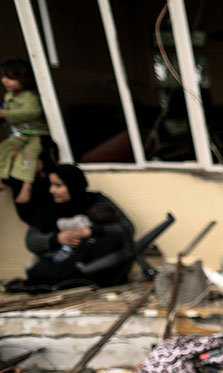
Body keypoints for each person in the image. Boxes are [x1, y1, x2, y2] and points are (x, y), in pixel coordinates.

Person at [22, 164, 134, 289]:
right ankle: (72, 279)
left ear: (73, 185)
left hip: (95, 260)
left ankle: (77, 279)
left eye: (58, 185)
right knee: (40, 271)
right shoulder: (48, 208)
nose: (52, 190)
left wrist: (91, 231)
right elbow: (31, 240)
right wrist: (57, 239)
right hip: (66, 260)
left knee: (113, 241)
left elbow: (127, 228)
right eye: (51, 185)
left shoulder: (97, 201)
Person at [0, 59, 49, 205]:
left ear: (23, 78)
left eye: (10, 78)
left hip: (37, 134)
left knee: (29, 156)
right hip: (20, 134)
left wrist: (6, 114)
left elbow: (33, 112)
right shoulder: (8, 97)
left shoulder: (30, 96)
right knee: (3, 148)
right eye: (3, 77)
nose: (5, 81)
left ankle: (27, 187)